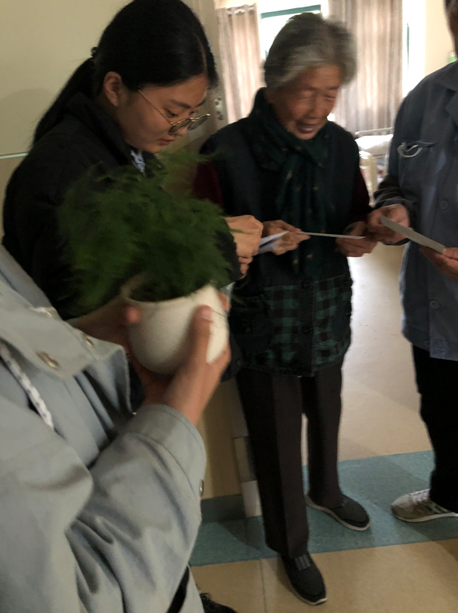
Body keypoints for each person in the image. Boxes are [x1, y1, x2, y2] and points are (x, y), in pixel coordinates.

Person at [193, 13, 377, 606]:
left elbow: (355, 214)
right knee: (274, 435)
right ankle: (290, 541)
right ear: (273, 83)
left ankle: (327, 489)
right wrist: (258, 237)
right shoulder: (223, 151)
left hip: (326, 307)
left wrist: (360, 234)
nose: (317, 108)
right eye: (305, 92)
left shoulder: (342, 146)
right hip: (262, 319)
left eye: (330, 93)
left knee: (327, 408)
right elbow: (200, 246)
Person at [0, 245, 233, 613]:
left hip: (155, 570)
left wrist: (80, 339)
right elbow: (78, 600)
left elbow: (15, 375)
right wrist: (173, 420)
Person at [2, 0, 262, 320]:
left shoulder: (132, 152)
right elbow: (85, 314)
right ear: (115, 88)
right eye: (172, 112)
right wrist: (212, 250)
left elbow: (141, 250)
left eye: (191, 115)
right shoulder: (61, 172)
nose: (181, 130)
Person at [368, 0, 458, 524]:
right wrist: (392, 207)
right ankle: (449, 493)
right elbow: (394, 181)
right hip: (431, 304)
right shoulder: (425, 98)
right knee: (439, 408)